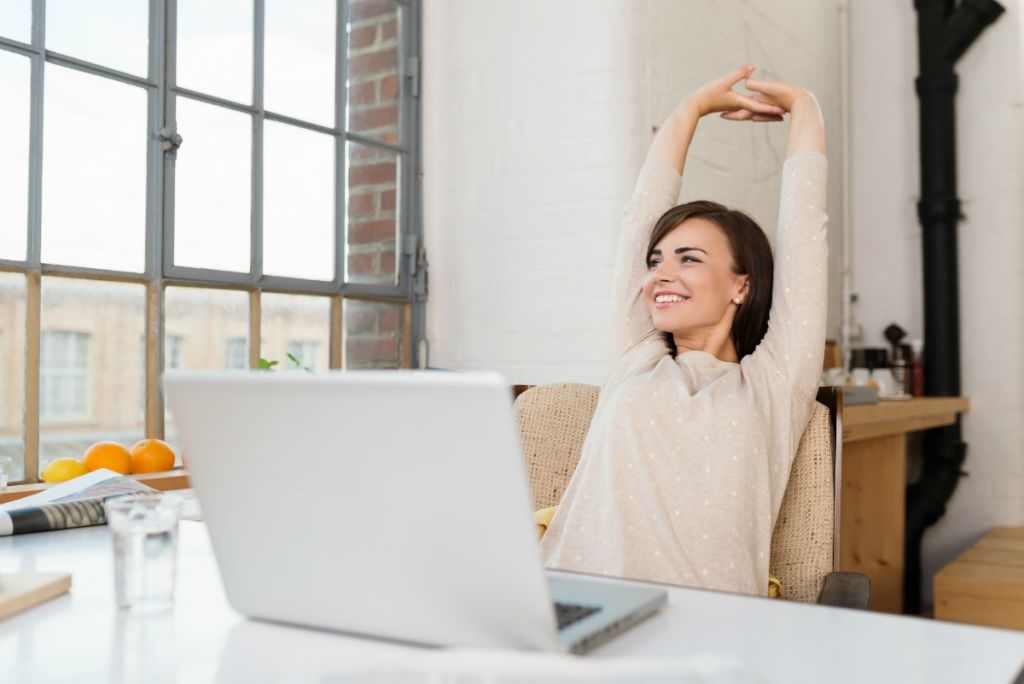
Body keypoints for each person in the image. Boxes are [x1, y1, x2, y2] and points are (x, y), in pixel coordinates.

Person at [539, 65, 828, 597]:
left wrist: (805, 106)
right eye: (655, 262)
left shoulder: (773, 384)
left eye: (688, 258)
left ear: (742, 285)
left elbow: (805, 234)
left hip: (708, 630)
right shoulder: (635, 357)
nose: (660, 275)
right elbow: (638, 220)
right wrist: (690, 109)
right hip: (573, 604)